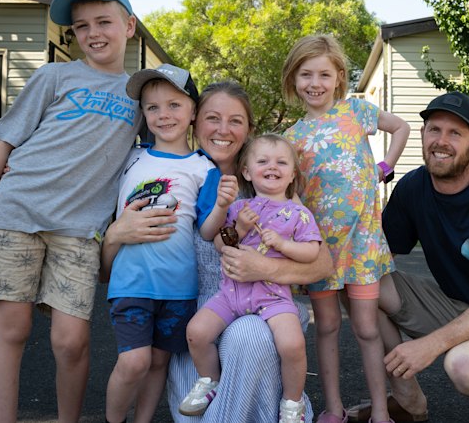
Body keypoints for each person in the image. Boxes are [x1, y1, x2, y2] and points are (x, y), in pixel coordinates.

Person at [103, 81, 331, 422]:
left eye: (235, 121)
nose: (223, 130)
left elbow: (322, 263)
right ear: (195, 121)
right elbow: (106, 273)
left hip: (259, 307)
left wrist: (265, 269)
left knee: (248, 337)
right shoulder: (170, 176)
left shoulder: (266, 185)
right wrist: (113, 235)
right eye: (213, 118)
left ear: (249, 129)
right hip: (193, 310)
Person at [0, 0, 139, 422]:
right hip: (15, 213)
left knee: (71, 340)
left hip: (79, 229)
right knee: (12, 329)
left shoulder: (141, 94)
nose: (92, 33)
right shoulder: (54, 76)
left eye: (103, 21)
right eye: (81, 26)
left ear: (129, 25)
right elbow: (4, 145)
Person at [348, 91, 469, 423]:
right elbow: (375, 256)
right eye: (434, 130)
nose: (441, 141)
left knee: (463, 367)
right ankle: (408, 400)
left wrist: (429, 345)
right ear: (423, 135)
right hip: (452, 305)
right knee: (360, 282)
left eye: (455, 133)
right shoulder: (414, 187)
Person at [282, 34, 411, 423]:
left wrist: (385, 166)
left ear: (339, 77)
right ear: (294, 79)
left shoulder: (357, 111)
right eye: (306, 74)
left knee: (368, 328)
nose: (315, 83)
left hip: (362, 243)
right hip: (320, 249)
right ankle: (334, 408)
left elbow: (402, 128)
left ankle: (382, 411)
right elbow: (288, 192)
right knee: (327, 327)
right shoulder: (292, 137)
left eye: (324, 74)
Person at [101, 64, 238, 423]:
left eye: (174, 105)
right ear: (143, 114)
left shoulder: (203, 168)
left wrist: (222, 205)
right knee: (134, 361)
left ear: (193, 111)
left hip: (178, 287)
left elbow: (207, 231)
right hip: (131, 281)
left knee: (158, 361)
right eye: (153, 107)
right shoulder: (130, 157)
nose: (164, 115)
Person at [180, 134, 322, 422]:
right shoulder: (238, 208)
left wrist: (283, 245)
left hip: (272, 296)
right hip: (231, 294)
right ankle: (210, 381)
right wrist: (240, 228)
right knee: (196, 332)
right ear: (247, 171)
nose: (272, 167)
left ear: (292, 174)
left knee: (292, 345)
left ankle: (292, 402)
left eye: (281, 162)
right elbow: (221, 244)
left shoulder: (299, 214)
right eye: (263, 161)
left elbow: (311, 252)